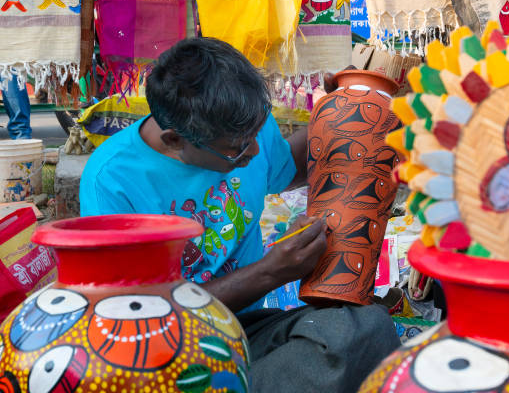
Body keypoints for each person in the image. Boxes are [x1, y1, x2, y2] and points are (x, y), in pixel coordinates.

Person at [80, 37, 400, 392]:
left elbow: (286, 166)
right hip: (167, 351)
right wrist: (270, 271)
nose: (255, 151)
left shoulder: (242, 124)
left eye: (257, 134)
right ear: (174, 141)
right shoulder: (112, 180)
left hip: (245, 329)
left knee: (365, 326)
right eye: (237, 150)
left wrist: (343, 113)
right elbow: (133, 317)